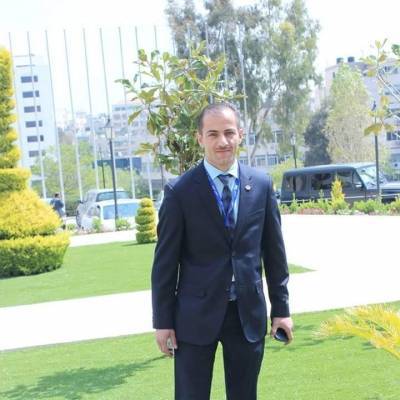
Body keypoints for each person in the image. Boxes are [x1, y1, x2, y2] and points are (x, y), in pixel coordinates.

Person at [151, 102, 293, 400]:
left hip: (247, 314)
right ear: (200, 138)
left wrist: (281, 310)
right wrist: (163, 322)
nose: (222, 141)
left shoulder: (262, 185)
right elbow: (165, 264)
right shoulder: (179, 192)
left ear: (241, 134)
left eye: (229, 132)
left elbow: (275, 253)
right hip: (194, 317)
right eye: (213, 134)